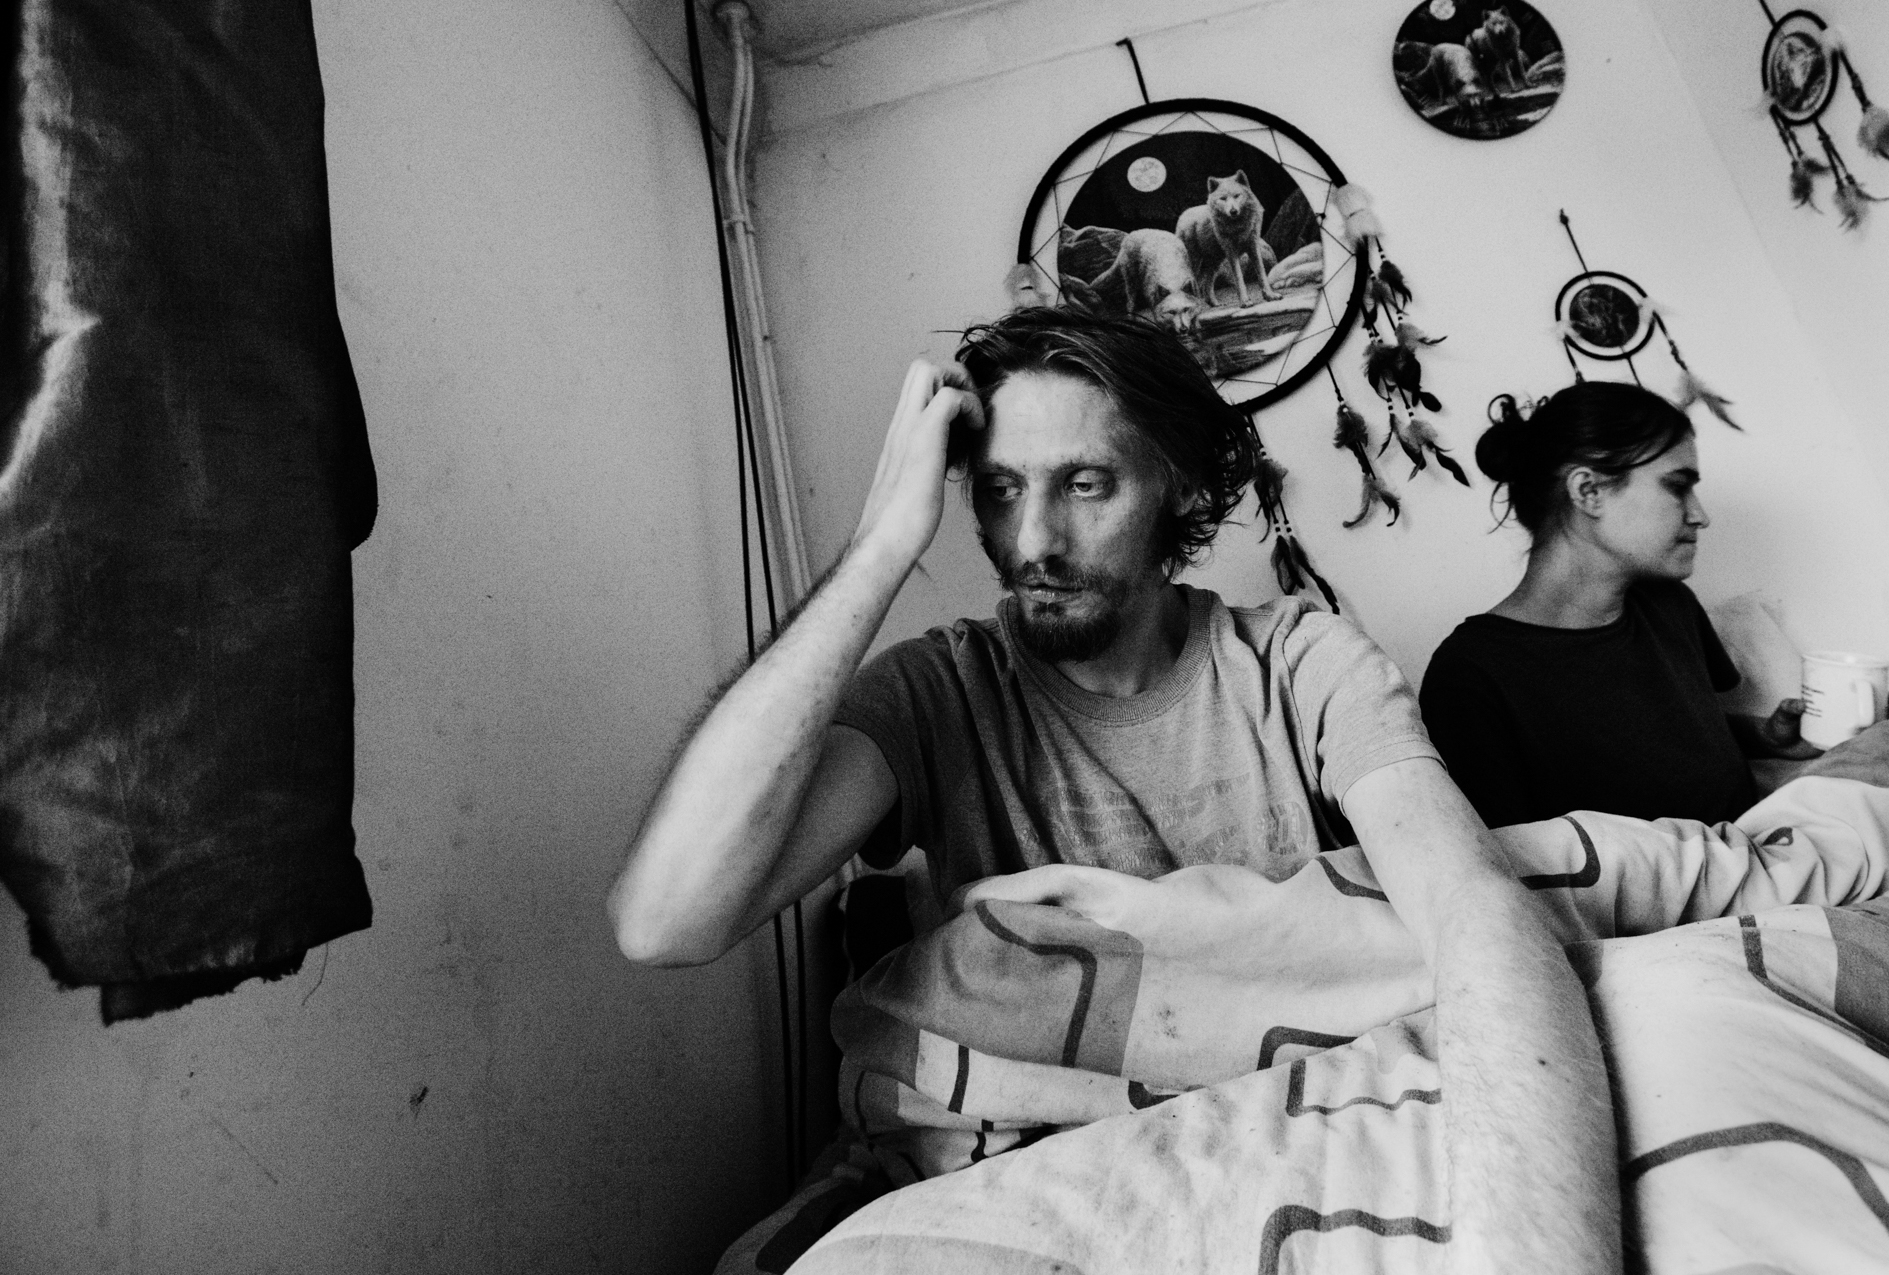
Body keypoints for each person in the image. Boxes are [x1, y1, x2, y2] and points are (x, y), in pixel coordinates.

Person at [610, 306, 1619, 1272]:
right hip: (1034, 1170)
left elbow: (1469, 906)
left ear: (1177, 486)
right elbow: (665, 922)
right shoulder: (937, 690)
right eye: (1001, 490)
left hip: (1281, 1128)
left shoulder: (1301, 662)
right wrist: (882, 545)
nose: (1034, 542)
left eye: (1086, 484)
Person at [1419, 383, 1812, 830]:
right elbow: (1515, 861)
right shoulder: (1470, 676)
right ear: (1589, 491)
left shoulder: (1671, 605)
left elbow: (1671, 734)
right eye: (1678, 487)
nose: (1700, 515)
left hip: (1759, 854)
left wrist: (1763, 736)